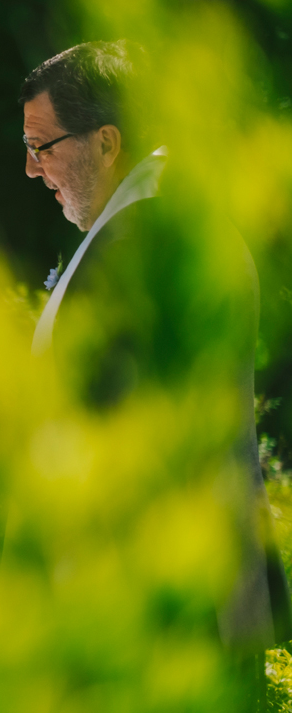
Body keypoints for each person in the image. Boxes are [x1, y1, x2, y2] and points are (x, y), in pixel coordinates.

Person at [20, 41, 291, 659]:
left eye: (42, 146)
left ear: (108, 143)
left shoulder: (144, 242)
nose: (32, 169)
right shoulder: (147, 224)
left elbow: (113, 426)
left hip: (163, 605)